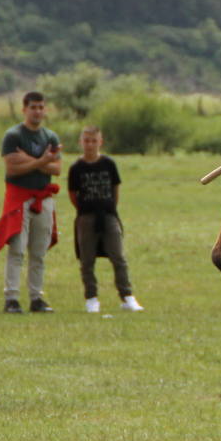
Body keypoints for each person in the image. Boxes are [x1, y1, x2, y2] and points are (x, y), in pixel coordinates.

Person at [0, 91, 61, 313]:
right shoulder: (13, 136)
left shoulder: (50, 137)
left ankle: (36, 297)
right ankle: (11, 298)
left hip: (43, 197)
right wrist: (42, 161)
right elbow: (12, 168)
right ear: (24, 109)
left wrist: (30, 161)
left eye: (41, 107)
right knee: (18, 248)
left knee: (39, 251)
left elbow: (57, 169)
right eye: (33, 107)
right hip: (19, 197)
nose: (38, 111)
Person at [68, 126, 144, 312]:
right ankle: (91, 298)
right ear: (81, 142)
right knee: (87, 260)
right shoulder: (76, 168)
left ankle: (127, 297)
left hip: (109, 215)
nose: (90, 145)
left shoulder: (109, 164)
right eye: (86, 141)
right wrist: (84, 209)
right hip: (86, 217)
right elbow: (72, 193)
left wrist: (110, 207)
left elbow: (115, 188)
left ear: (100, 142)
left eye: (94, 141)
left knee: (118, 256)